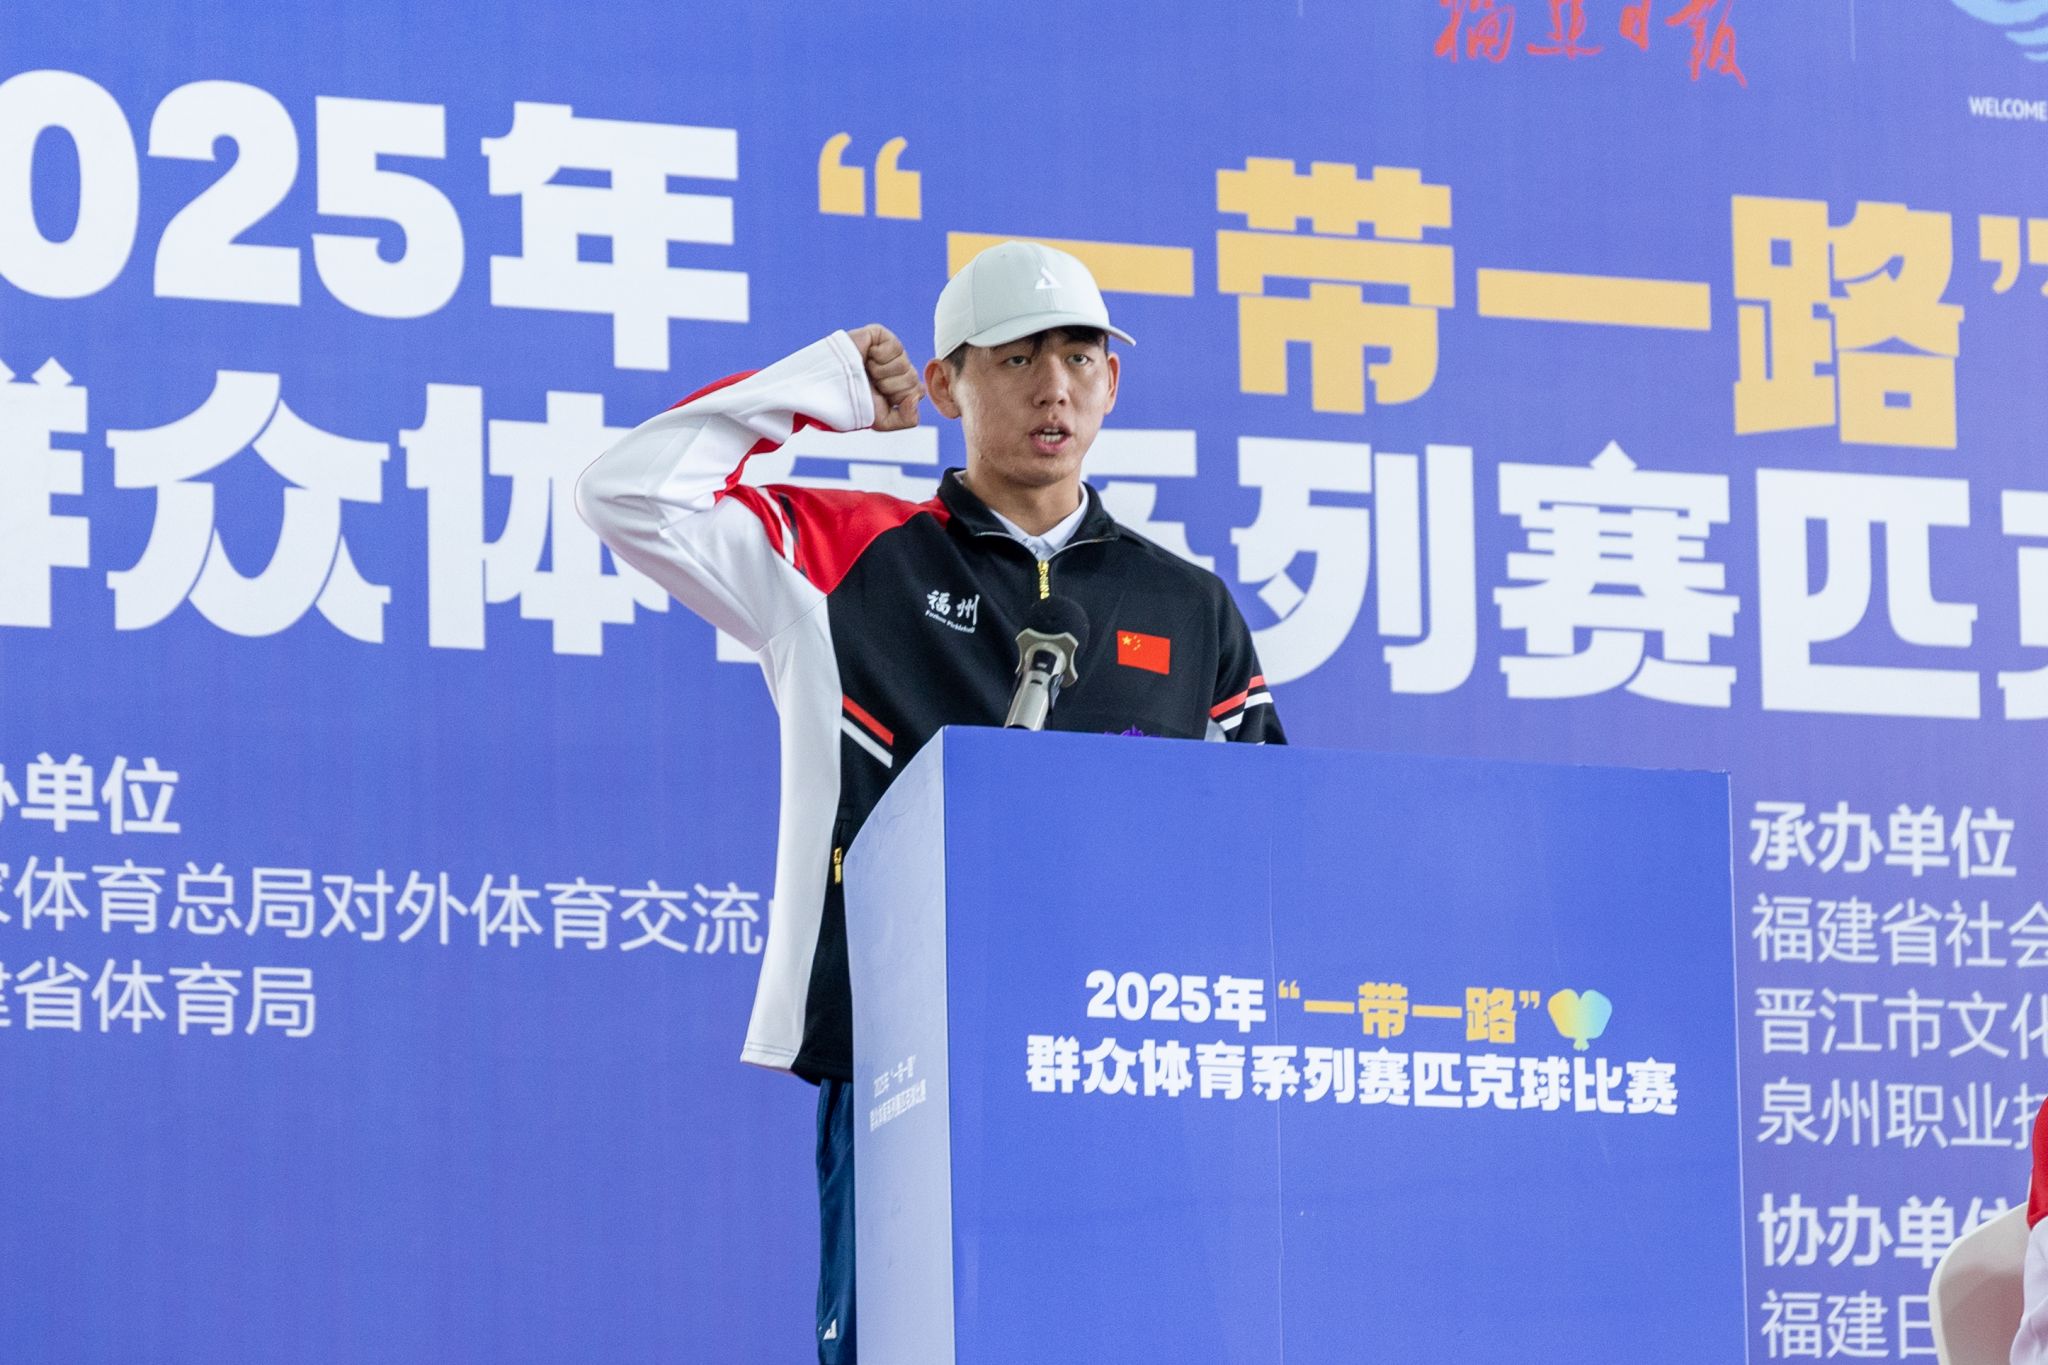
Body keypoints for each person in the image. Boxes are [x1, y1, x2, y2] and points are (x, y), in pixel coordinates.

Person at [575, 239, 1284, 1362]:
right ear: (947, 384)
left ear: (1112, 380)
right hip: (901, 1054)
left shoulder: (1187, 605)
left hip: (1121, 1067)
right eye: (1017, 358)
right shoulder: (846, 558)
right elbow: (623, 491)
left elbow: (1270, 841)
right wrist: (825, 389)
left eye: (1079, 356)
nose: (1054, 388)